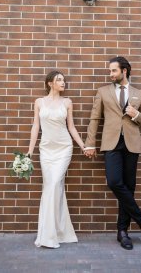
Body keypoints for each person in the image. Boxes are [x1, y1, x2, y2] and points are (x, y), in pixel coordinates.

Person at [84, 56, 141, 250]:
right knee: (114, 182)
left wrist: (137, 115)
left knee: (129, 187)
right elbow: (94, 118)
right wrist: (90, 143)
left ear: (124, 71)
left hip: (131, 144)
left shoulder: (138, 93)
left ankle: (122, 232)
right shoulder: (102, 92)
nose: (110, 74)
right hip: (111, 143)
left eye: (113, 71)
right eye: (110, 71)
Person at [27, 70, 85, 249]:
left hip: (64, 148)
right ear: (50, 83)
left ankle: (52, 234)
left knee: (53, 185)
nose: (63, 82)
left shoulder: (67, 102)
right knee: (52, 187)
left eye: (64, 80)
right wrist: (29, 151)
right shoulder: (39, 102)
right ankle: (57, 232)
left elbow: (72, 127)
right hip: (46, 150)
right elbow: (36, 126)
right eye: (59, 80)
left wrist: (83, 146)